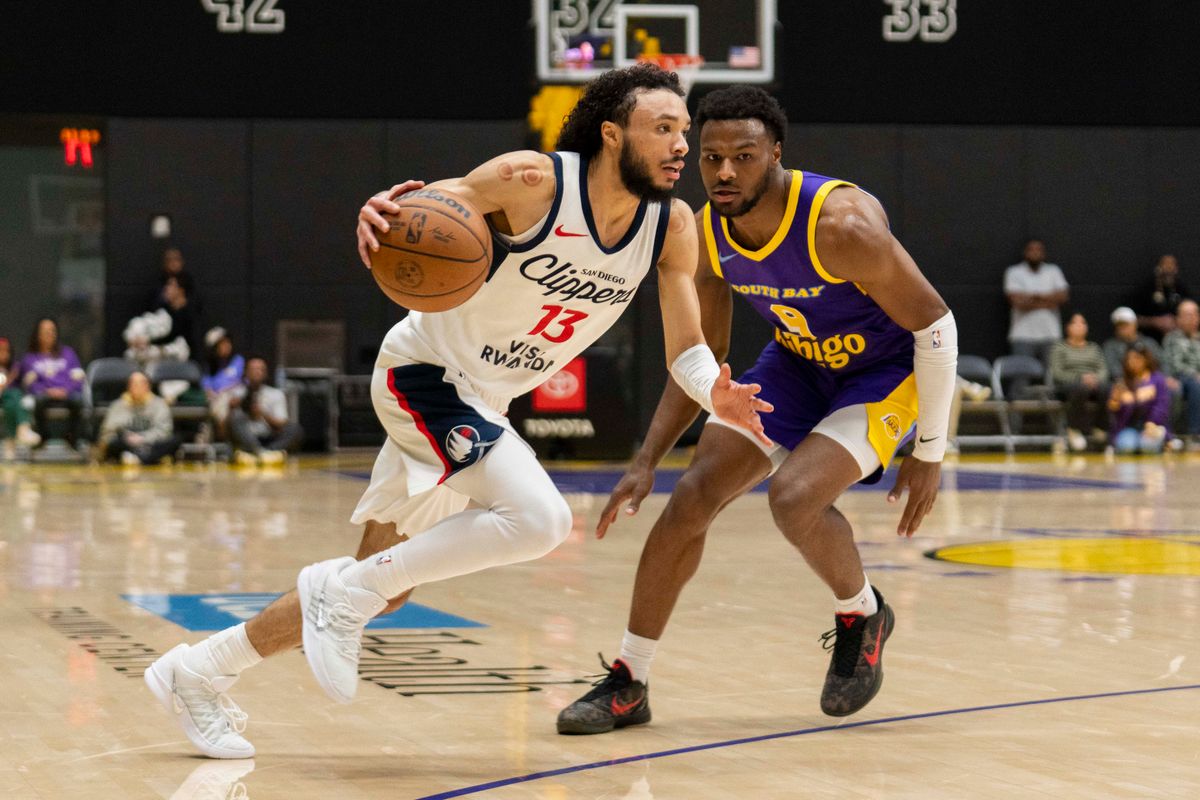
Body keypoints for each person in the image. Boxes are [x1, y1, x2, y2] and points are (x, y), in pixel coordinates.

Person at [143, 64, 770, 759]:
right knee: (539, 519)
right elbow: (429, 207)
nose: (682, 145)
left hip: (483, 399)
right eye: (663, 129)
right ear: (613, 134)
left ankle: (197, 673)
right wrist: (381, 212)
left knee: (384, 586)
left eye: (684, 131)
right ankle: (337, 594)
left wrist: (711, 387)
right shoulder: (533, 181)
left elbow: (686, 347)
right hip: (425, 377)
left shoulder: (672, 224)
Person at [556, 86, 956, 734]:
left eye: (742, 156)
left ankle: (861, 614)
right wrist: (647, 458)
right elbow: (702, 358)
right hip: (798, 364)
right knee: (691, 497)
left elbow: (936, 327)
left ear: (775, 153)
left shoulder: (841, 224)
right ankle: (630, 680)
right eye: (711, 157)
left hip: (882, 372)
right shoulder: (707, 232)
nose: (723, 172)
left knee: (794, 498)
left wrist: (929, 452)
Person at [17, 318, 86, 449]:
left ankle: (72, 437)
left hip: (67, 393)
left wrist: (66, 390)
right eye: (46, 331)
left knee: (78, 400)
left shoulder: (68, 353)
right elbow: (30, 385)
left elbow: (78, 378)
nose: (50, 334)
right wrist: (46, 390)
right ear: (38, 334)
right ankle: (43, 437)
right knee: (37, 400)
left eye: (52, 331)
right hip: (44, 394)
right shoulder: (30, 358)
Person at [1048, 313, 1109, 451]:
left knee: (1107, 388)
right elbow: (1057, 373)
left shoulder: (1093, 348)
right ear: (1068, 327)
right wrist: (1081, 377)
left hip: (1093, 383)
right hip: (1068, 385)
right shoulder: (1059, 348)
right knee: (1081, 388)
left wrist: (1095, 378)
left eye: (1083, 323)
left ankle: (1100, 427)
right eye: (1076, 323)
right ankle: (1074, 428)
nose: (1080, 326)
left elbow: (1103, 369)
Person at [229, 357, 304, 465]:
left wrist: (263, 414)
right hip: (247, 438)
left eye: (260, 369)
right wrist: (231, 409)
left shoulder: (276, 394)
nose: (256, 372)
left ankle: (265, 452)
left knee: (295, 429)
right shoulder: (236, 393)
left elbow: (281, 423)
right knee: (235, 419)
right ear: (246, 372)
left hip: (269, 437)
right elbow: (226, 427)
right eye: (253, 369)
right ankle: (261, 452)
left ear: (266, 373)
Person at [1004, 238, 1068, 364]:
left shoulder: (1053, 271)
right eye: (1031, 250)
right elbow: (1016, 302)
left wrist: (1031, 297)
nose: (1035, 253)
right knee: (1021, 376)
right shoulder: (1014, 272)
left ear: (1044, 253)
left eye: (1038, 250)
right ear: (1025, 252)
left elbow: (1062, 297)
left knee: (1052, 378)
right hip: (1022, 335)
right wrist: (1048, 300)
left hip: (1051, 334)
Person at [98, 371, 177, 465]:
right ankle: (149, 458)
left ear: (148, 386)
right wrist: (128, 437)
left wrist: (143, 438)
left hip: (151, 443)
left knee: (175, 440)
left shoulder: (159, 404)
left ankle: (136, 458)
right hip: (127, 443)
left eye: (141, 383)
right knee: (113, 443)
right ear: (128, 386)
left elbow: (165, 431)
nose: (137, 387)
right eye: (134, 383)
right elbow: (107, 431)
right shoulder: (118, 405)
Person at [1108, 344, 1170, 454]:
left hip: (1151, 425)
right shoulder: (1122, 382)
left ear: (1145, 359)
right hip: (1128, 427)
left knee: (1148, 447)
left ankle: (1163, 438)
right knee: (1126, 447)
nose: (1132, 362)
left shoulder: (1157, 379)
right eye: (1129, 359)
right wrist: (1116, 401)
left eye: (1136, 358)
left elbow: (1162, 405)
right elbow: (1114, 410)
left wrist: (1152, 423)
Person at [1163, 299, 1200, 446]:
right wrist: (1195, 374)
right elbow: (1174, 364)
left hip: (1196, 379)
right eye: (1185, 315)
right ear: (1178, 318)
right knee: (1193, 386)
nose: (1189, 319)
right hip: (1178, 378)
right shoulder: (1171, 338)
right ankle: (1194, 434)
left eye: (1192, 315)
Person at [0, 337, 41, 458]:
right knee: (13, 394)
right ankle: (22, 429)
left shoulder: (15, 367)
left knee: (12, 400)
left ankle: (11, 442)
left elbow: (25, 382)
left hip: (10, 401)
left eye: (6, 351)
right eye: (1, 350)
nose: (4, 354)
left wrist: (28, 379)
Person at [201, 327, 245, 437]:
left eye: (227, 342)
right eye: (221, 344)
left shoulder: (238, 360)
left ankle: (220, 435)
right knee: (216, 402)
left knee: (223, 400)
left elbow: (241, 381)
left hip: (236, 394)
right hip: (217, 399)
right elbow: (206, 387)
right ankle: (220, 435)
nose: (226, 346)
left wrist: (224, 391)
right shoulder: (210, 366)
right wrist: (212, 393)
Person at [1134, 254, 1190, 340]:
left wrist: (1176, 322)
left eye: (1172, 264)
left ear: (1176, 269)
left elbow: (1193, 316)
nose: (1169, 268)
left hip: (1178, 340)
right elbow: (1133, 318)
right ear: (1158, 268)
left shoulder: (1182, 290)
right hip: (1149, 340)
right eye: (1165, 264)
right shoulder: (1145, 289)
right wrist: (1154, 322)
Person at [1102, 306, 1164, 382]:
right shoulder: (1110, 346)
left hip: (1152, 380)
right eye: (1119, 325)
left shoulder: (1149, 343)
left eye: (1126, 325)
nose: (1122, 328)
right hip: (1125, 382)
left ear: (1135, 324)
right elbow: (1113, 368)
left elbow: (1161, 362)